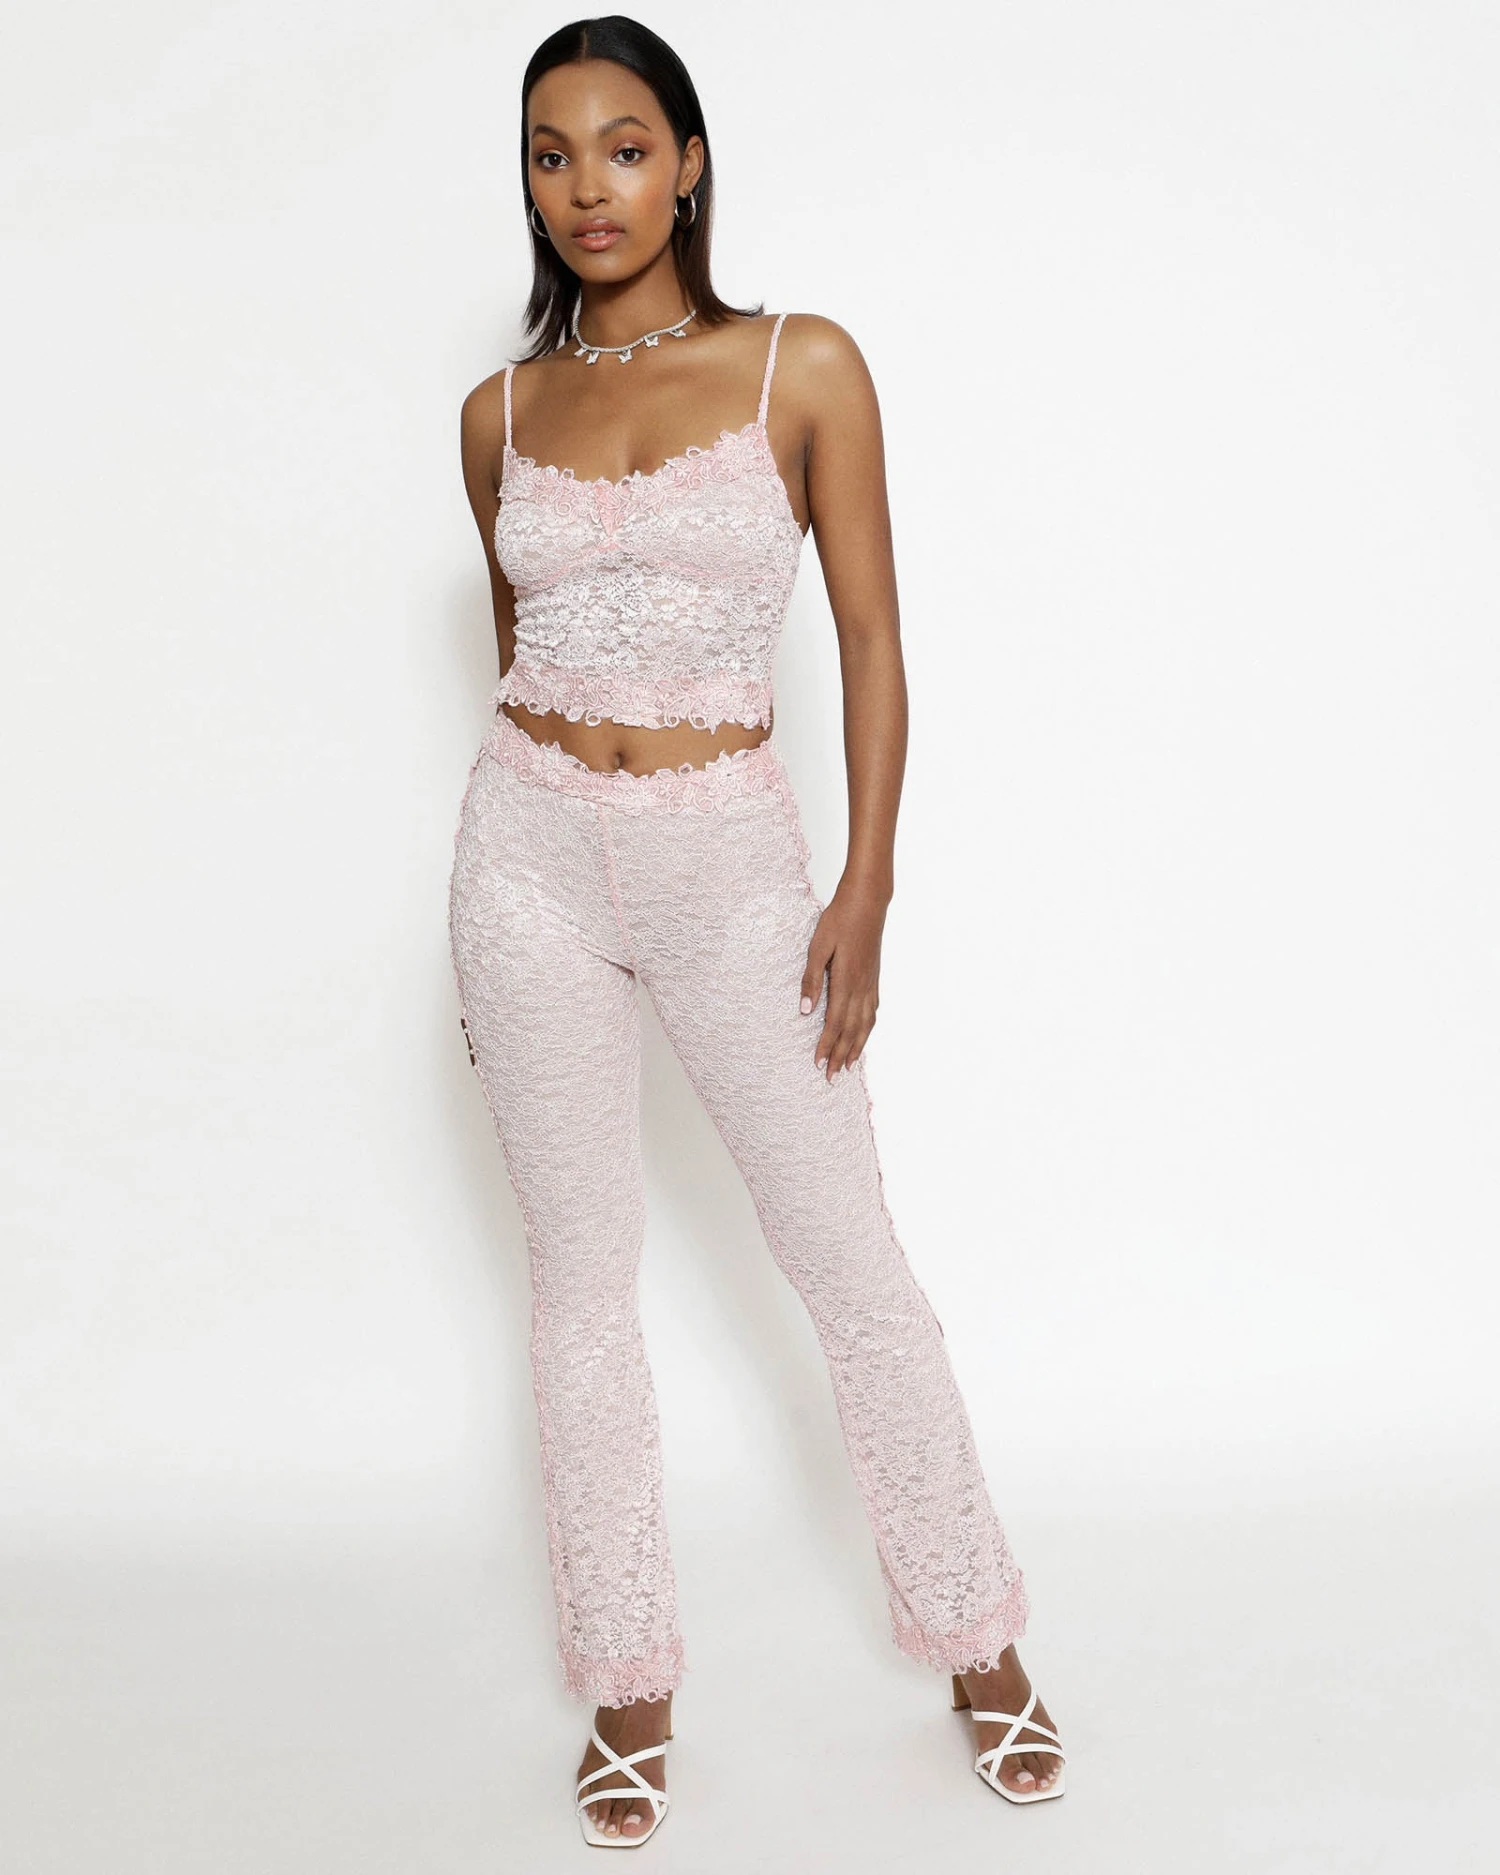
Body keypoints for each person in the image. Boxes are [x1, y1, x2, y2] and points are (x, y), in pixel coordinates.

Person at [449, 14, 1066, 1845]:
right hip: (525, 857)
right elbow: (523, 644)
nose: (589, 187)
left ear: (690, 162)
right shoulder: (497, 416)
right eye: (553, 153)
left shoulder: (805, 363)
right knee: (578, 1285)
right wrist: (508, 887)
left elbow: (871, 636)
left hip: (729, 856)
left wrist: (865, 882)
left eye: (625, 146)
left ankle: (980, 1634)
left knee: (848, 1262)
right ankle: (626, 1675)